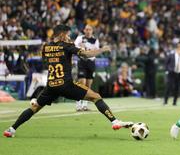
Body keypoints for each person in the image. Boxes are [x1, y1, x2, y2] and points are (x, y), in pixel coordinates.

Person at [3, 25, 133, 138]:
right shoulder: (67, 46)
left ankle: (11, 129)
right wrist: (102, 50)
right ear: (62, 34)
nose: (69, 37)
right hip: (65, 84)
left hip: (51, 85)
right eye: (67, 34)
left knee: (35, 108)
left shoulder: (46, 47)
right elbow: (87, 55)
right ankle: (114, 121)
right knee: (96, 97)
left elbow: (45, 62)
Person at [74, 25, 99, 111]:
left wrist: (87, 48)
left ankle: (84, 105)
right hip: (82, 61)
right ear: (84, 30)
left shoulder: (95, 40)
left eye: (90, 29)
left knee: (88, 85)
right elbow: (75, 46)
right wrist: (81, 48)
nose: (88, 31)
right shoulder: (80, 38)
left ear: (92, 31)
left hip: (91, 63)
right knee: (81, 83)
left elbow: (95, 51)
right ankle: (78, 103)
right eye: (87, 29)